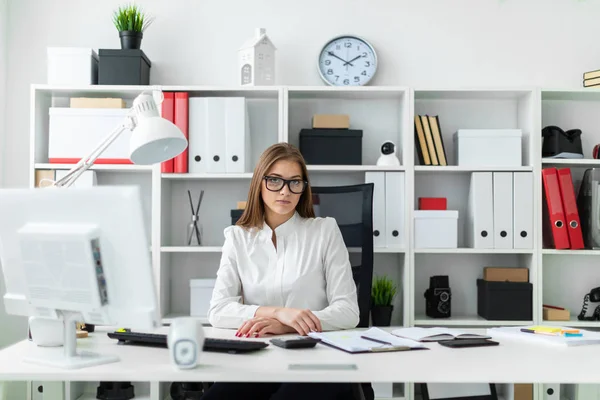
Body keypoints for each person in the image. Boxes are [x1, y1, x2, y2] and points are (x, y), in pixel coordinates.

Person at [202, 143, 373, 400]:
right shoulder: (238, 237)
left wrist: (286, 325)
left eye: (295, 182)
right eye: (275, 181)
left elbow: (348, 313)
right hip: (260, 357)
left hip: (319, 357)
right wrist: (279, 312)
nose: (285, 191)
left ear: (304, 188)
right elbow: (218, 311)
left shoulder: (324, 231)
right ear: (259, 183)